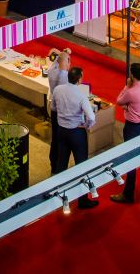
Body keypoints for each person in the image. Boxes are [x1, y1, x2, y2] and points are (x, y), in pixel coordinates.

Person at [51, 68, 98, 209]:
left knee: (61, 165)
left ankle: (58, 196)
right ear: (79, 79)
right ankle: (82, 200)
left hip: (62, 131)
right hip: (77, 132)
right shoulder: (81, 94)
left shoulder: (58, 90)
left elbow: (53, 107)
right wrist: (86, 126)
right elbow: (91, 117)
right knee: (81, 166)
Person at [111, 63, 140, 204]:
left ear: (132, 76)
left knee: (130, 159)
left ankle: (128, 194)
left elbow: (119, 100)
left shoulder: (131, 91)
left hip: (132, 127)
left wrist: (127, 86)